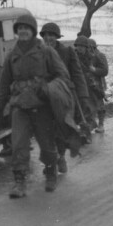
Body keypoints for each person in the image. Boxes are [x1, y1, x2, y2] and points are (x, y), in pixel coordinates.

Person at [0, 13, 72, 196]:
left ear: (32, 31)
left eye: (26, 28)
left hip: (42, 105)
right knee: (19, 145)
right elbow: (4, 82)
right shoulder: (12, 55)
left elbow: (62, 75)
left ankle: (50, 173)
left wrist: (48, 89)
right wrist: (0, 108)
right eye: (19, 28)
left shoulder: (46, 51)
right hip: (20, 105)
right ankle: (19, 182)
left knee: (46, 144)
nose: (23, 31)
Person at [40, 22, 93, 173]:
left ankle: (60, 156)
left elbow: (77, 74)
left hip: (63, 98)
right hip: (43, 97)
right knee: (44, 131)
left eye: (52, 35)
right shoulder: (38, 52)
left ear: (57, 37)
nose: (48, 38)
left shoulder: (67, 52)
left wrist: (83, 96)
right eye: (46, 35)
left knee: (61, 129)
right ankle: (51, 161)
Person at [73, 34, 108, 133]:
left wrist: (94, 70)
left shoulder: (95, 57)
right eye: (78, 46)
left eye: (82, 46)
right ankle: (89, 124)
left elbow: (105, 70)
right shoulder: (74, 57)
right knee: (86, 106)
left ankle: (100, 124)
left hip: (95, 85)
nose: (79, 48)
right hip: (81, 84)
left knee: (99, 105)